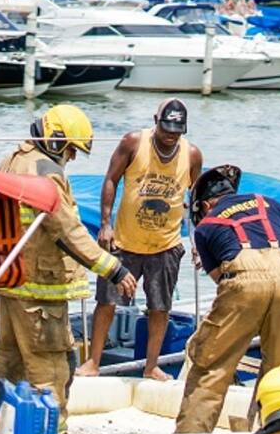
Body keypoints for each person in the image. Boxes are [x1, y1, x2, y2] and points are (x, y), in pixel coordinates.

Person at [0, 105, 137, 428]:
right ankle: (52, 433)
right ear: (56, 141)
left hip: (12, 285)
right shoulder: (46, 174)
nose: (70, 158)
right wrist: (115, 269)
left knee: (9, 362)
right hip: (40, 291)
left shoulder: (13, 159)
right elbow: (67, 231)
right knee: (53, 367)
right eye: (71, 150)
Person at [174, 165, 280, 434]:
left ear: (204, 205)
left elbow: (221, 281)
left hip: (243, 280)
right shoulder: (267, 202)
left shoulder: (206, 227)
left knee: (211, 366)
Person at [76, 98, 202, 382]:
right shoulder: (133, 142)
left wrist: (198, 241)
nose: (171, 135)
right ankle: (93, 362)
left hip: (165, 244)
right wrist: (105, 224)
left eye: (177, 131)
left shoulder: (192, 155)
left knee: (160, 307)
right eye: (166, 128)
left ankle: (151, 366)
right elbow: (111, 179)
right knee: (106, 301)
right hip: (124, 241)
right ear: (155, 121)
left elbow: (196, 199)